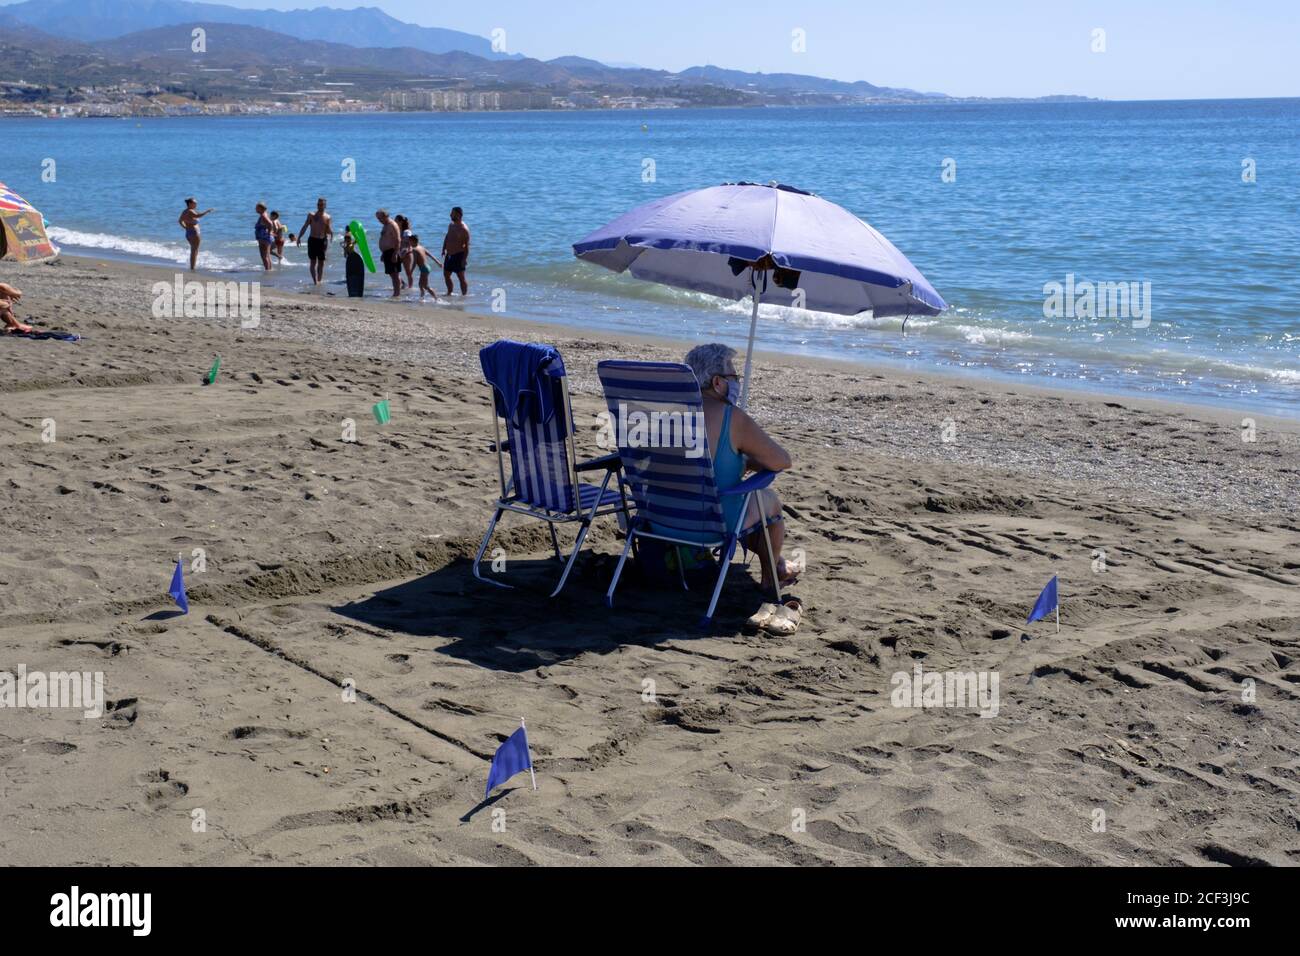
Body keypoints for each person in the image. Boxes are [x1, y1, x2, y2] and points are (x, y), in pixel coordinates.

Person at [683, 343, 796, 594]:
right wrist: (747, 460)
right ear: (717, 383)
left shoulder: (668, 410)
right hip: (710, 520)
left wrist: (737, 460)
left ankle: (778, 563)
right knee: (769, 502)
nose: (737, 383)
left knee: (744, 503)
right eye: (734, 377)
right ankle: (770, 579)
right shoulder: (731, 417)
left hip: (662, 516)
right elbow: (781, 461)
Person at [296, 197, 333, 286]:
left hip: (322, 241)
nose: (320, 206)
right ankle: (315, 281)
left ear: (325, 206)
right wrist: (299, 237)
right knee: (313, 262)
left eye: (322, 204)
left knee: (321, 262)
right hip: (313, 240)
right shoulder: (311, 215)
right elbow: (305, 226)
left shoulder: (328, 217)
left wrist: (331, 233)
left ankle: (319, 280)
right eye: (318, 204)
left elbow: (328, 231)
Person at [178, 198, 214, 271]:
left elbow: (180, 221)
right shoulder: (190, 211)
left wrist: (185, 227)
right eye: (195, 203)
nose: (196, 204)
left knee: (194, 250)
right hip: (194, 233)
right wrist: (207, 211)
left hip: (188, 233)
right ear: (190, 204)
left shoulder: (184, 211)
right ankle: (192, 268)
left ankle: (192, 266)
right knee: (194, 250)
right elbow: (198, 216)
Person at [441, 206, 470, 296]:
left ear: (458, 215)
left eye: (452, 213)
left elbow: (467, 246)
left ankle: (464, 295)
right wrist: (443, 248)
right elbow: (447, 236)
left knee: (461, 277)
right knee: (446, 275)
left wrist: (464, 259)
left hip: (458, 255)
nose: (450, 215)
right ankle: (449, 292)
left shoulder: (464, 229)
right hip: (449, 255)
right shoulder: (451, 225)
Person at [376, 209, 402, 297]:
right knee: (391, 274)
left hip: (392, 252)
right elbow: (386, 238)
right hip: (387, 252)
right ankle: (397, 291)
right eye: (378, 219)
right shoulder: (385, 225)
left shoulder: (392, 225)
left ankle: (397, 294)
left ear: (385, 216)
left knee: (395, 274)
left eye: (380, 218)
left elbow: (398, 240)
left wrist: (395, 253)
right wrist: (383, 253)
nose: (379, 221)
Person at [408, 234, 441, 300]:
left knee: (426, 286)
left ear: (413, 241)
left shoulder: (414, 249)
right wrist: (438, 262)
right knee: (420, 284)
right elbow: (430, 255)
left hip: (424, 269)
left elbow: (414, 262)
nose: (409, 243)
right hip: (427, 267)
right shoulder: (421, 247)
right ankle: (422, 297)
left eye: (410, 241)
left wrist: (410, 271)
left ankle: (436, 299)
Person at [395, 215, 415, 289]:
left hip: (407, 253)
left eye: (396, 220)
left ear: (401, 222)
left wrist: (405, 251)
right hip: (399, 253)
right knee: (394, 271)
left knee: (408, 272)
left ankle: (410, 288)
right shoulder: (397, 230)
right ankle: (403, 283)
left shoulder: (407, 231)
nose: (394, 221)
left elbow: (408, 241)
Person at [254, 203, 275, 271]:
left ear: (261, 208)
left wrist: (269, 232)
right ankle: (269, 270)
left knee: (264, 256)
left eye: (257, 208)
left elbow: (270, 224)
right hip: (265, 238)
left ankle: (267, 271)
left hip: (264, 238)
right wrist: (270, 232)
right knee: (267, 256)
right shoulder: (265, 214)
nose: (255, 209)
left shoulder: (263, 215)